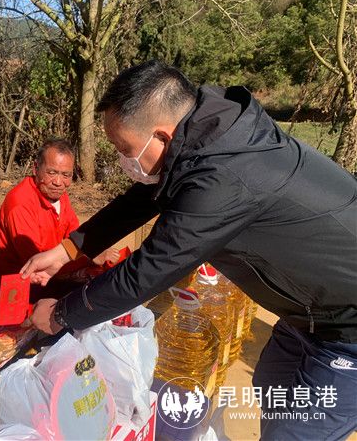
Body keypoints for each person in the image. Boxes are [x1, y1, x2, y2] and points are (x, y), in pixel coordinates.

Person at [23, 60, 357, 440]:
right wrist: (68, 249)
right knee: (270, 388)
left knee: (291, 433)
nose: (121, 160)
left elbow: (149, 270)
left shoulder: (227, 176)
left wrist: (64, 313)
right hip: (306, 313)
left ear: (162, 137)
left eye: (124, 149)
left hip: (347, 325)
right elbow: (146, 195)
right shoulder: (212, 135)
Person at [0, 139, 119, 298]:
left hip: (55, 272)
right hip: (23, 286)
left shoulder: (58, 195)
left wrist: (92, 248)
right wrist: (90, 257)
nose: (58, 182)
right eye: (51, 173)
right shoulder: (20, 204)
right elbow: (36, 264)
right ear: (35, 168)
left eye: (66, 175)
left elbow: (74, 234)